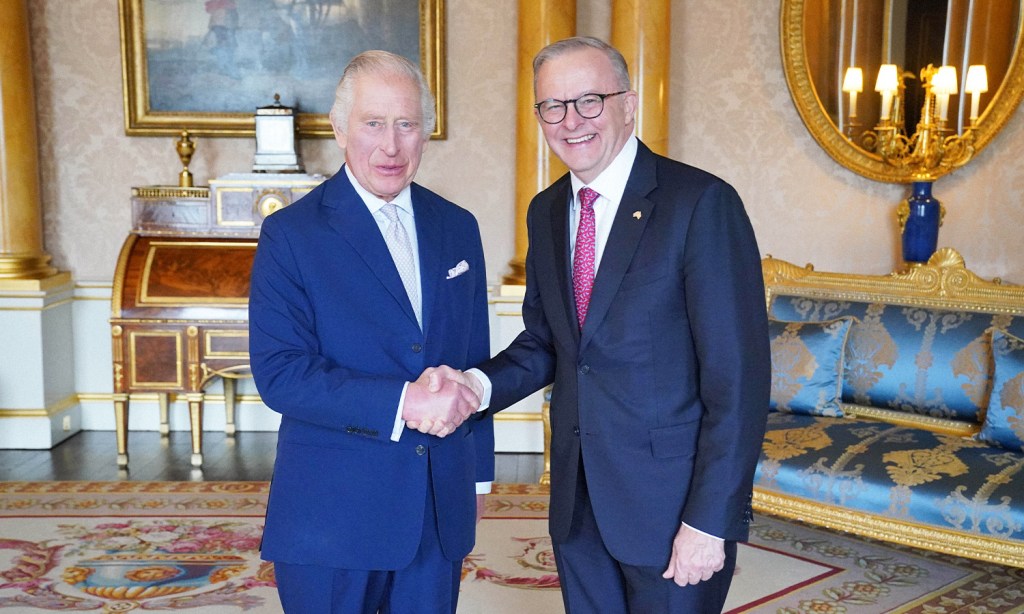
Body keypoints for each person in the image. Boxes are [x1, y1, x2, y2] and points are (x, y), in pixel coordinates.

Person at [437, 36, 770, 613]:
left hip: (671, 507)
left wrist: (710, 521)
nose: (571, 121)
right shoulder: (546, 211)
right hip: (578, 502)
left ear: (628, 104)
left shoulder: (700, 203)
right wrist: (476, 386)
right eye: (553, 106)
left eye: (589, 100)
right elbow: (549, 341)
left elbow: (737, 381)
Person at [248, 50, 493, 613]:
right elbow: (282, 375)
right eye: (373, 123)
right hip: (333, 514)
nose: (391, 146)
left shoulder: (458, 227)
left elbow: (473, 360)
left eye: (406, 124)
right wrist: (404, 401)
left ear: (425, 131)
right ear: (339, 129)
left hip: (437, 504)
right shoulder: (291, 234)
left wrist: (476, 479)